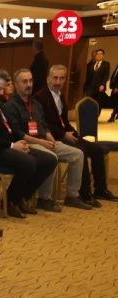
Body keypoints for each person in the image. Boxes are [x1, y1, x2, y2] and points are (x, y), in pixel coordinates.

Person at [0, 69, 57, 219]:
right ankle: (9, 201)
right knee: (29, 162)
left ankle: (21, 196)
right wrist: (12, 146)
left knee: (49, 160)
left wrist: (20, 142)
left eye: (3, 89)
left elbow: (10, 128)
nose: (1, 92)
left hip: (6, 146)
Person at [4, 69, 88, 211]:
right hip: (27, 143)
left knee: (78, 154)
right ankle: (45, 198)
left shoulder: (35, 103)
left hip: (44, 140)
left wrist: (50, 138)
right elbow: (18, 133)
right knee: (51, 157)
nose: (29, 84)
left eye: (30, 81)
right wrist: (42, 143)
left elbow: (44, 125)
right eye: (24, 81)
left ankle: (72, 196)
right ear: (16, 84)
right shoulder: (11, 105)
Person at [34, 64, 118, 205]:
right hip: (53, 137)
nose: (58, 82)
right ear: (48, 79)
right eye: (55, 78)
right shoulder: (40, 97)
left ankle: (100, 189)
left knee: (97, 149)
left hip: (64, 134)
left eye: (62, 78)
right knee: (81, 151)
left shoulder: (60, 96)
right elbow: (43, 123)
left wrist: (73, 133)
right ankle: (84, 193)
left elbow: (64, 120)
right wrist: (64, 134)